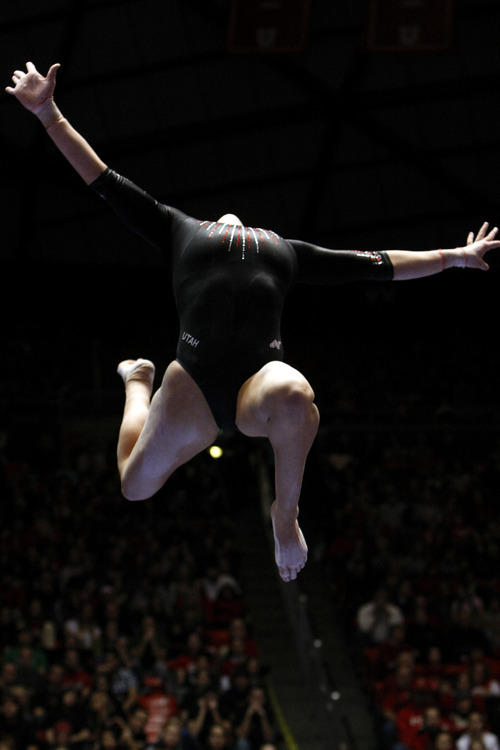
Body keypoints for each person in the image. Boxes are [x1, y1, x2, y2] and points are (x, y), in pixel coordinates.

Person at [6, 62, 500, 584]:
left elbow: (377, 264)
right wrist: (48, 112)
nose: (233, 220)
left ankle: (283, 518)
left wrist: (456, 257)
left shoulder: (282, 250)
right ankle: (137, 382)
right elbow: (104, 181)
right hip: (190, 384)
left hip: (255, 383)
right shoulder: (182, 230)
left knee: (296, 396)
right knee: (134, 485)